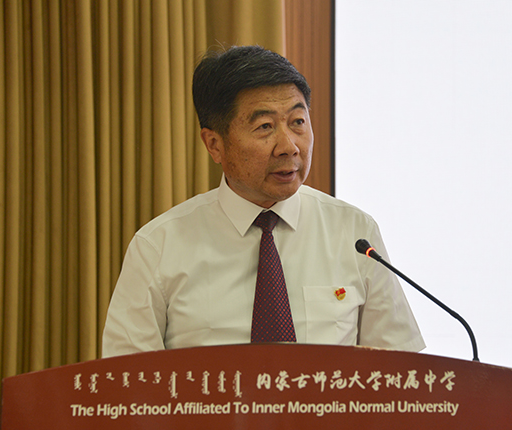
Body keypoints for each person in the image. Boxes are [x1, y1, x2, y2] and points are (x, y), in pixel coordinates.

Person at [102, 45, 425, 358]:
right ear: (214, 144)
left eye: (297, 122)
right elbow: (125, 382)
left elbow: (400, 373)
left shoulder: (354, 233)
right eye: (265, 127)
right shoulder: (158, 247)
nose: (289, 146)